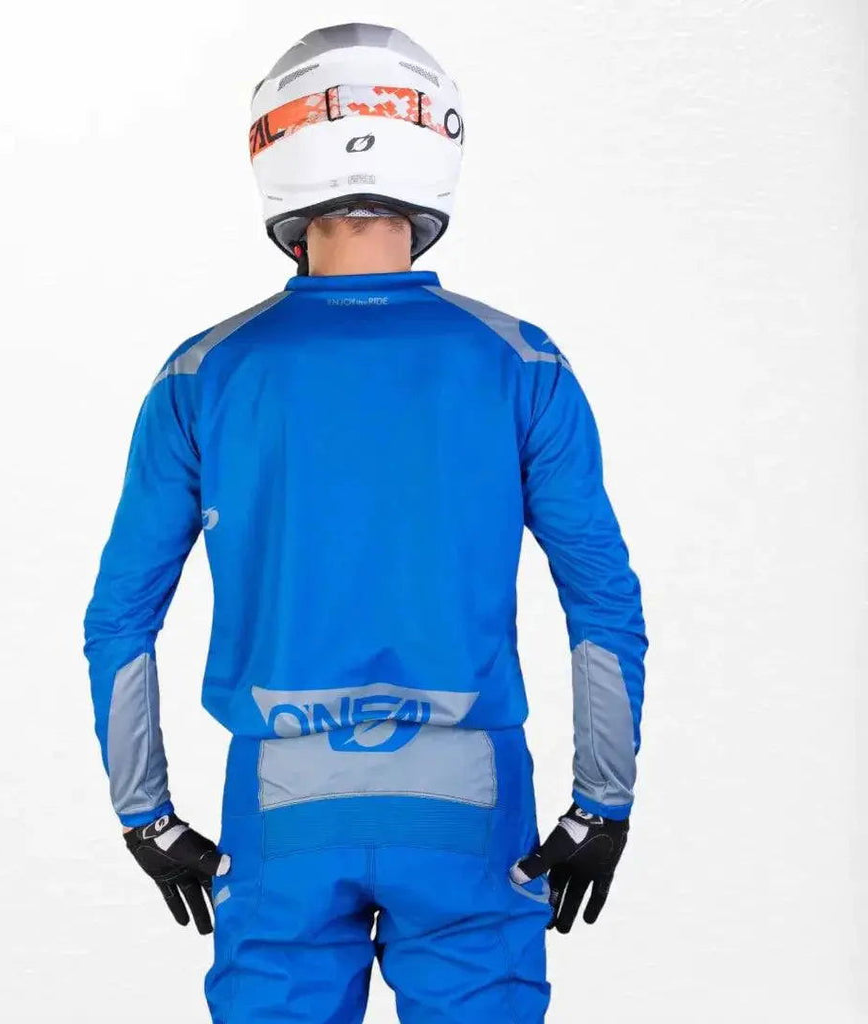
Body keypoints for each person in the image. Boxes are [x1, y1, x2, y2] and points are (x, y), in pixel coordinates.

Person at [84, 23, 647, 1024]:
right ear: (437, 142)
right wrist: (600, 802)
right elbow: (602, 602)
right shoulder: (522, 362)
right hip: (470, 798)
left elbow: (121, 619)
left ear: (273, 149)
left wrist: (147, 816)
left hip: (282, 800)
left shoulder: (203, 373)